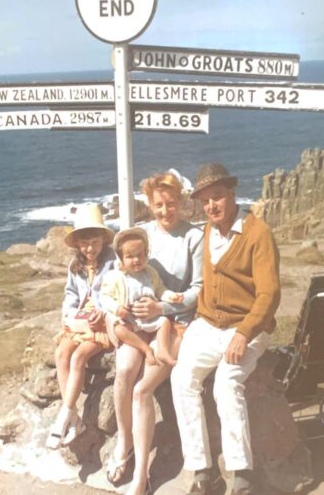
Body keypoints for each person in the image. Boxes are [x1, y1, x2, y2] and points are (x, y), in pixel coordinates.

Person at [171, 163, 281, 495]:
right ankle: (202, 470)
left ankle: (242, 475)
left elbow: (270, 294)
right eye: (206, 201)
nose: (212, 206)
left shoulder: (257, 232)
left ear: (231, 193)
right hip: (207, 324)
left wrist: (244, 333)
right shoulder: (206, 231)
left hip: (249, 326)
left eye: (217, 197)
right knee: (182, 378)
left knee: (225, 383)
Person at [106, 172, 204, 495]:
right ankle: (125, 442)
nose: (165, 210)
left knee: (142, 390)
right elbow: (114, 273)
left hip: (174, 323)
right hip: (137, 325)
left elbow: (198, 290)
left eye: (171, 203)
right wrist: (111, 314)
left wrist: (162, 309)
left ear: (182, 202)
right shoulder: (141, 235)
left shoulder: (194, 237)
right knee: (124, 368)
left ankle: (141, 476)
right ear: (149, 205)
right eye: (159, 205)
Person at [46, 204, 115, 450]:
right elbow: (70, 296)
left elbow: (117, 294)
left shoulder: (113, 262)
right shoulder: (75, 266)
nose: (89, 249)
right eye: (84, 244)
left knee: (78, 358)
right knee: (61, 353)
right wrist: (71, 315)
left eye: (94, 242)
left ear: (103, 241)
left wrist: (103, 313)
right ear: (77, 244)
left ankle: (64, 415)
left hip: (101, 323)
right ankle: (74, 416)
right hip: (80, 321)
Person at [100, 227, 183, 367]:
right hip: (129, 319)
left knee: (165, 322)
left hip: (150, 317)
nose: (136, 260)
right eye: (130, 257)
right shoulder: (114, 276)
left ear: (146, 254)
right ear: (121, 258)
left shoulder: (150, 273)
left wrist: (171, 296)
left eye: (140, 255)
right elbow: (104, 297)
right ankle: (146, 349)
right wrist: (117, 308)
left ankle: (163, 351)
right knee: (119, 330)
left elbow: (159, 289)